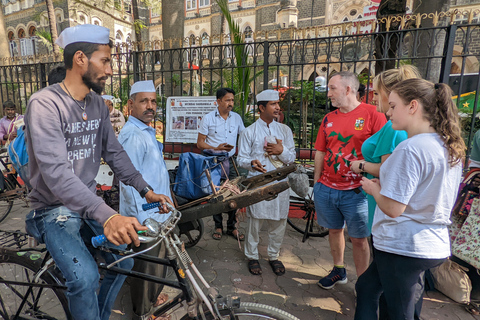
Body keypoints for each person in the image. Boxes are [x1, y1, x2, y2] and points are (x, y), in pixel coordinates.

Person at [24, 24, 172, 320]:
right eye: (105, 60)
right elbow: (57, 175)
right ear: (80, 59)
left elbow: (114, 153)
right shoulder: (44, 104)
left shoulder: (96, 104)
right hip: (53, 209)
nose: (110, 69)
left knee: (124, 262)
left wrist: (145, 189)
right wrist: (110, 215)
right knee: (85, 278)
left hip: (87, 204)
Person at [355, 79, 465, 320]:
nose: (388, 112)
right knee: (367, 288)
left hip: (403, 245)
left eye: (393, 106)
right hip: (427, 242)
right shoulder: (446, 145)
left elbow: (393, 208)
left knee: (398, 312)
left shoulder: (410, 148)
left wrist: (373, 189)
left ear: (413, 106)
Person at [313, 71, 386, 289]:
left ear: (348, 89)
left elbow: (385, 154)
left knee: (359, 239)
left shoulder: (373, 115)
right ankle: (338, 269)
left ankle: (363, 286)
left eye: (332, 88)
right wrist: (317, 184)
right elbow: (320, 151)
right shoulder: (328, 118)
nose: (328, 94)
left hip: (358, 191)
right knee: (333, 230)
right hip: (327, 188)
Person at [119, 80, 171, 319]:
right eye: (144, 101)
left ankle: (152, 299)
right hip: (145, 218)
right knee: (146, 268)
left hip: (158, 211)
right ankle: (143, 312)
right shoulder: (132, 135)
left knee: (158, 264)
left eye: (153, 101)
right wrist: (141, 222)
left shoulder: (147, 130)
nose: (150, 106)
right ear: (130, 104)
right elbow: (129, 184)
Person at [351, 65, 420, 231]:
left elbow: (386, 168)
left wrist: (360, 166)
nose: (373, 98)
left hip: (383, 200)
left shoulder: (392, 128)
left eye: (376, 93)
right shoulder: (394, 127)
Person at [237, 89, 295, 276]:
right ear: (262, 108)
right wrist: (251, 164)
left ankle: (273, 255)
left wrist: (281, 150)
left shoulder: (285, 131)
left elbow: (291, 158)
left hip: (281, 182)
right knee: (255, 220)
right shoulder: (249, 132)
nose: (278, 107)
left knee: (279, 220)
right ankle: (252, 256)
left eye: (278, 104)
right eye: (273, 104)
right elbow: (241, 159)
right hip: (259, 182)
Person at [197, 87, 245, 241]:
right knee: (215, 194)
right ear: (218, 101)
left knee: (233, 192)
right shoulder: (208, 118)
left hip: (230, 161)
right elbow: (200, 143)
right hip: (213, 161)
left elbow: (244, 136)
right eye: (227, 100)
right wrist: (215, 147)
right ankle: (218, 226)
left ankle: (232, 227)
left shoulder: (236, 118)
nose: (231, 103)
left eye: (232, 100)